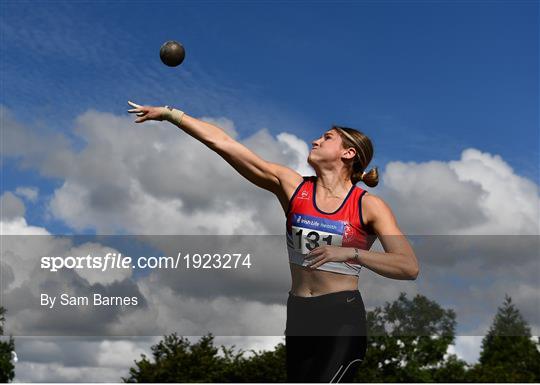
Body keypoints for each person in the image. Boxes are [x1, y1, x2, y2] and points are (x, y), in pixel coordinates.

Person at [127, 101, 420, 383]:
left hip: (341, 318)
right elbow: (224, 143)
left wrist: (351, 253)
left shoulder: (368, 206)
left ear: (348, 153)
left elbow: (408, 266)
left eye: (327, 138)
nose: (316, 141)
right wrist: (169, 114)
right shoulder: (292, 186)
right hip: (299, 317)